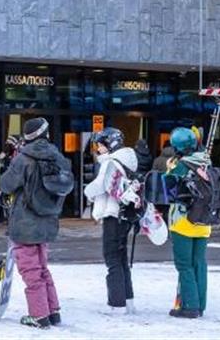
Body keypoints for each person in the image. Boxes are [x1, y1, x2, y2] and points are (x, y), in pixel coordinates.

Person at [0, 117, 71, 329]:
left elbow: (7, 184)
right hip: (48, 220)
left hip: (25, 221)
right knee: (42, 268)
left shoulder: (23, 158)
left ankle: (39, 316)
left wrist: (5, 167)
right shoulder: (57, 156)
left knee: (30, 271)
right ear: (46, 133)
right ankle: (53, 311)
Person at [84, 127, 141, 315]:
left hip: (113, 214)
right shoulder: (127, 160)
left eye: (100, 145)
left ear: (110, 144)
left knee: (112, 259)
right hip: (125, 215)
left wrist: (87, 192)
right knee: (122, 258)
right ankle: (128, 300)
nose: (98, 148)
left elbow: (101, 185)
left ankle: (116, 304)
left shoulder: (111, 163)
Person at [163, 127, 212, 319]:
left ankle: (189, 306)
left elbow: (167, 186)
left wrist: (169, 168)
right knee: (199, 263)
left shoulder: (181, 165)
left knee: (184, 265)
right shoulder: (206, 162)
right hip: (204, 221)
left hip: (183, 221)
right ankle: (200, 304)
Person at [0, 135, 22, 224]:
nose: (8, 145)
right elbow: (0, 166)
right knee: (6, 201)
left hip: (15, 182)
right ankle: (9, 219)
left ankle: (13, 221)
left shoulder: (18, 154)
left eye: (10, 143)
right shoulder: (5, 154)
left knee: (13, 202)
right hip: (7, 181)